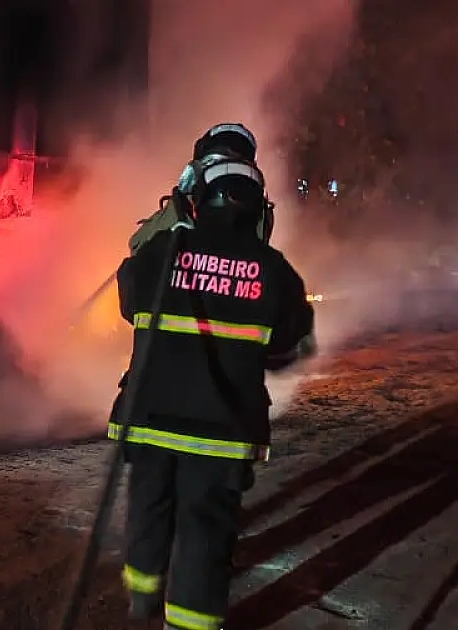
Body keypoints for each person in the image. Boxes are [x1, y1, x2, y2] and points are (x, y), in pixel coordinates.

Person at [110, 149, 315, 629]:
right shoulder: (273, 269)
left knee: (148, 513)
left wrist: (171, 233)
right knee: (204, 535)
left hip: (149, 421)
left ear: (195, 201)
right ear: (259, 209)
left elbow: (127, 299)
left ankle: (142, 606)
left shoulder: (163, 252)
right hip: (218, 433)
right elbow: (289, 343)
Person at [129, 123, 259, 255]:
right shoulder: (181, 206)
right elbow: (139, 250)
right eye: (214, 163)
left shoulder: (255, 211)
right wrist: (181, 203)